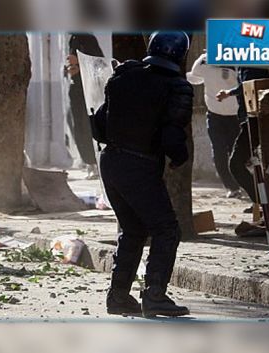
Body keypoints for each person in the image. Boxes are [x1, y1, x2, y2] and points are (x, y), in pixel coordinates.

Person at [96, 32, 193, 317]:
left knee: (134, 229)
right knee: (166, 229)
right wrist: (179, 157)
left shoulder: (123, 76)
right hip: (139, 165)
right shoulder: (177, 87)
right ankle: (154, 295)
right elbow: (172, 135)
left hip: (110, 161)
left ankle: (118, 297)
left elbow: (101, 122)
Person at [187, 53, 242, 198]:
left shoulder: (236, 62)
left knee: (236, 153)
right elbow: (194, 76)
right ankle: (232, 187)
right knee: (218, 153)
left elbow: (243, 85)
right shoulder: (205, 61)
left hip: (235, 116)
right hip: (214, 115)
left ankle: (244, 184)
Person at [216, 67, 269, 209]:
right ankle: (263, 204)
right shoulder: (243, 64)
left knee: (236, 164)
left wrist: (229, 93)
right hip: (251, 119)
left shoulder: (251, 62)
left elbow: (251, 84)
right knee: (253, 163)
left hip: (255, 119)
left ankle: (265, 203)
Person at [66, 33, 103, 180]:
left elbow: (98, 63)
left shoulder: (88, 39)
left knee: (88, 126)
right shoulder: (73, 39)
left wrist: (80, 64)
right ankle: (88, 162)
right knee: (78, 126)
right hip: (75, 88)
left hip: (88, 90)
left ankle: (94, 163)